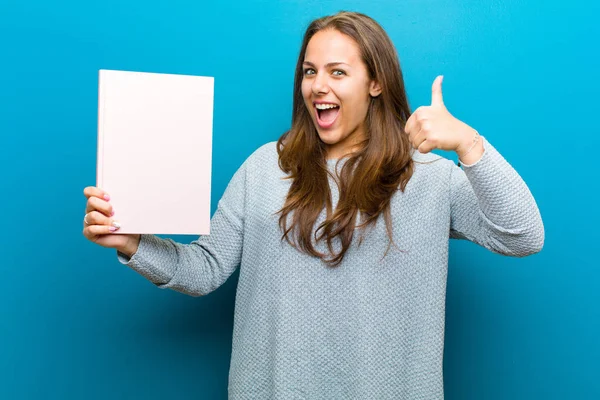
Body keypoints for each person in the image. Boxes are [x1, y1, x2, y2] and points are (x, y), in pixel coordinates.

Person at [82, 11, 544, 400]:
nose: (317, 87)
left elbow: (523, 235)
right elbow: (205, 269)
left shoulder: (427, 176)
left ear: (376, 83)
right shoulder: (266, 167)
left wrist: (468, 144)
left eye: (337, 72)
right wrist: (133, 242)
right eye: (309, 71)